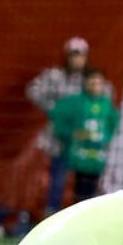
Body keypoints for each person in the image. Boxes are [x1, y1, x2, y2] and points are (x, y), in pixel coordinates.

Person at [27, 37, 97, 217]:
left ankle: (83, 218)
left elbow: (103, 96)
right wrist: (54, 109)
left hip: (83, 140)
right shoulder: (55, 76)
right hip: (60, 138)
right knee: (57, 180)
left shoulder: (89, 80)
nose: (77, 59)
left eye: (80, 55)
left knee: (84, 182)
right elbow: (32, 90)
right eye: (73, 55)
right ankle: (52, 216)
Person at [51, 68, 120, 204]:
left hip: (97, 159)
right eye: (92, 82)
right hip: (79, 159)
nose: (95, 86)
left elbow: (113, 123)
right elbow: (57, 115)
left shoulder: (106, 103)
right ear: (86, 84)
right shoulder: (76, 102)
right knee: (78, 192)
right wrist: (71, 134)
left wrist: (105, 138)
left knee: (93, 193)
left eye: (98, 82)